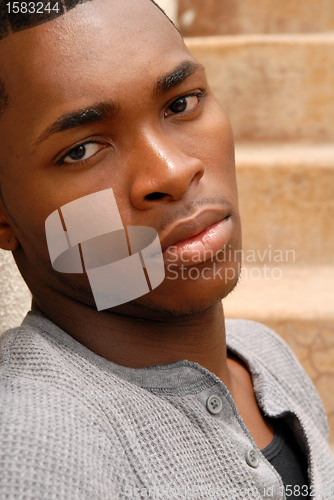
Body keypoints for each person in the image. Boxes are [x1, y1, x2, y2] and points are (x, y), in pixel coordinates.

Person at [0, 0, 333, 498]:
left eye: (181, 103)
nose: (174, 172)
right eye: (82, 150)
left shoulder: (263, 354)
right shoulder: (33, 447)